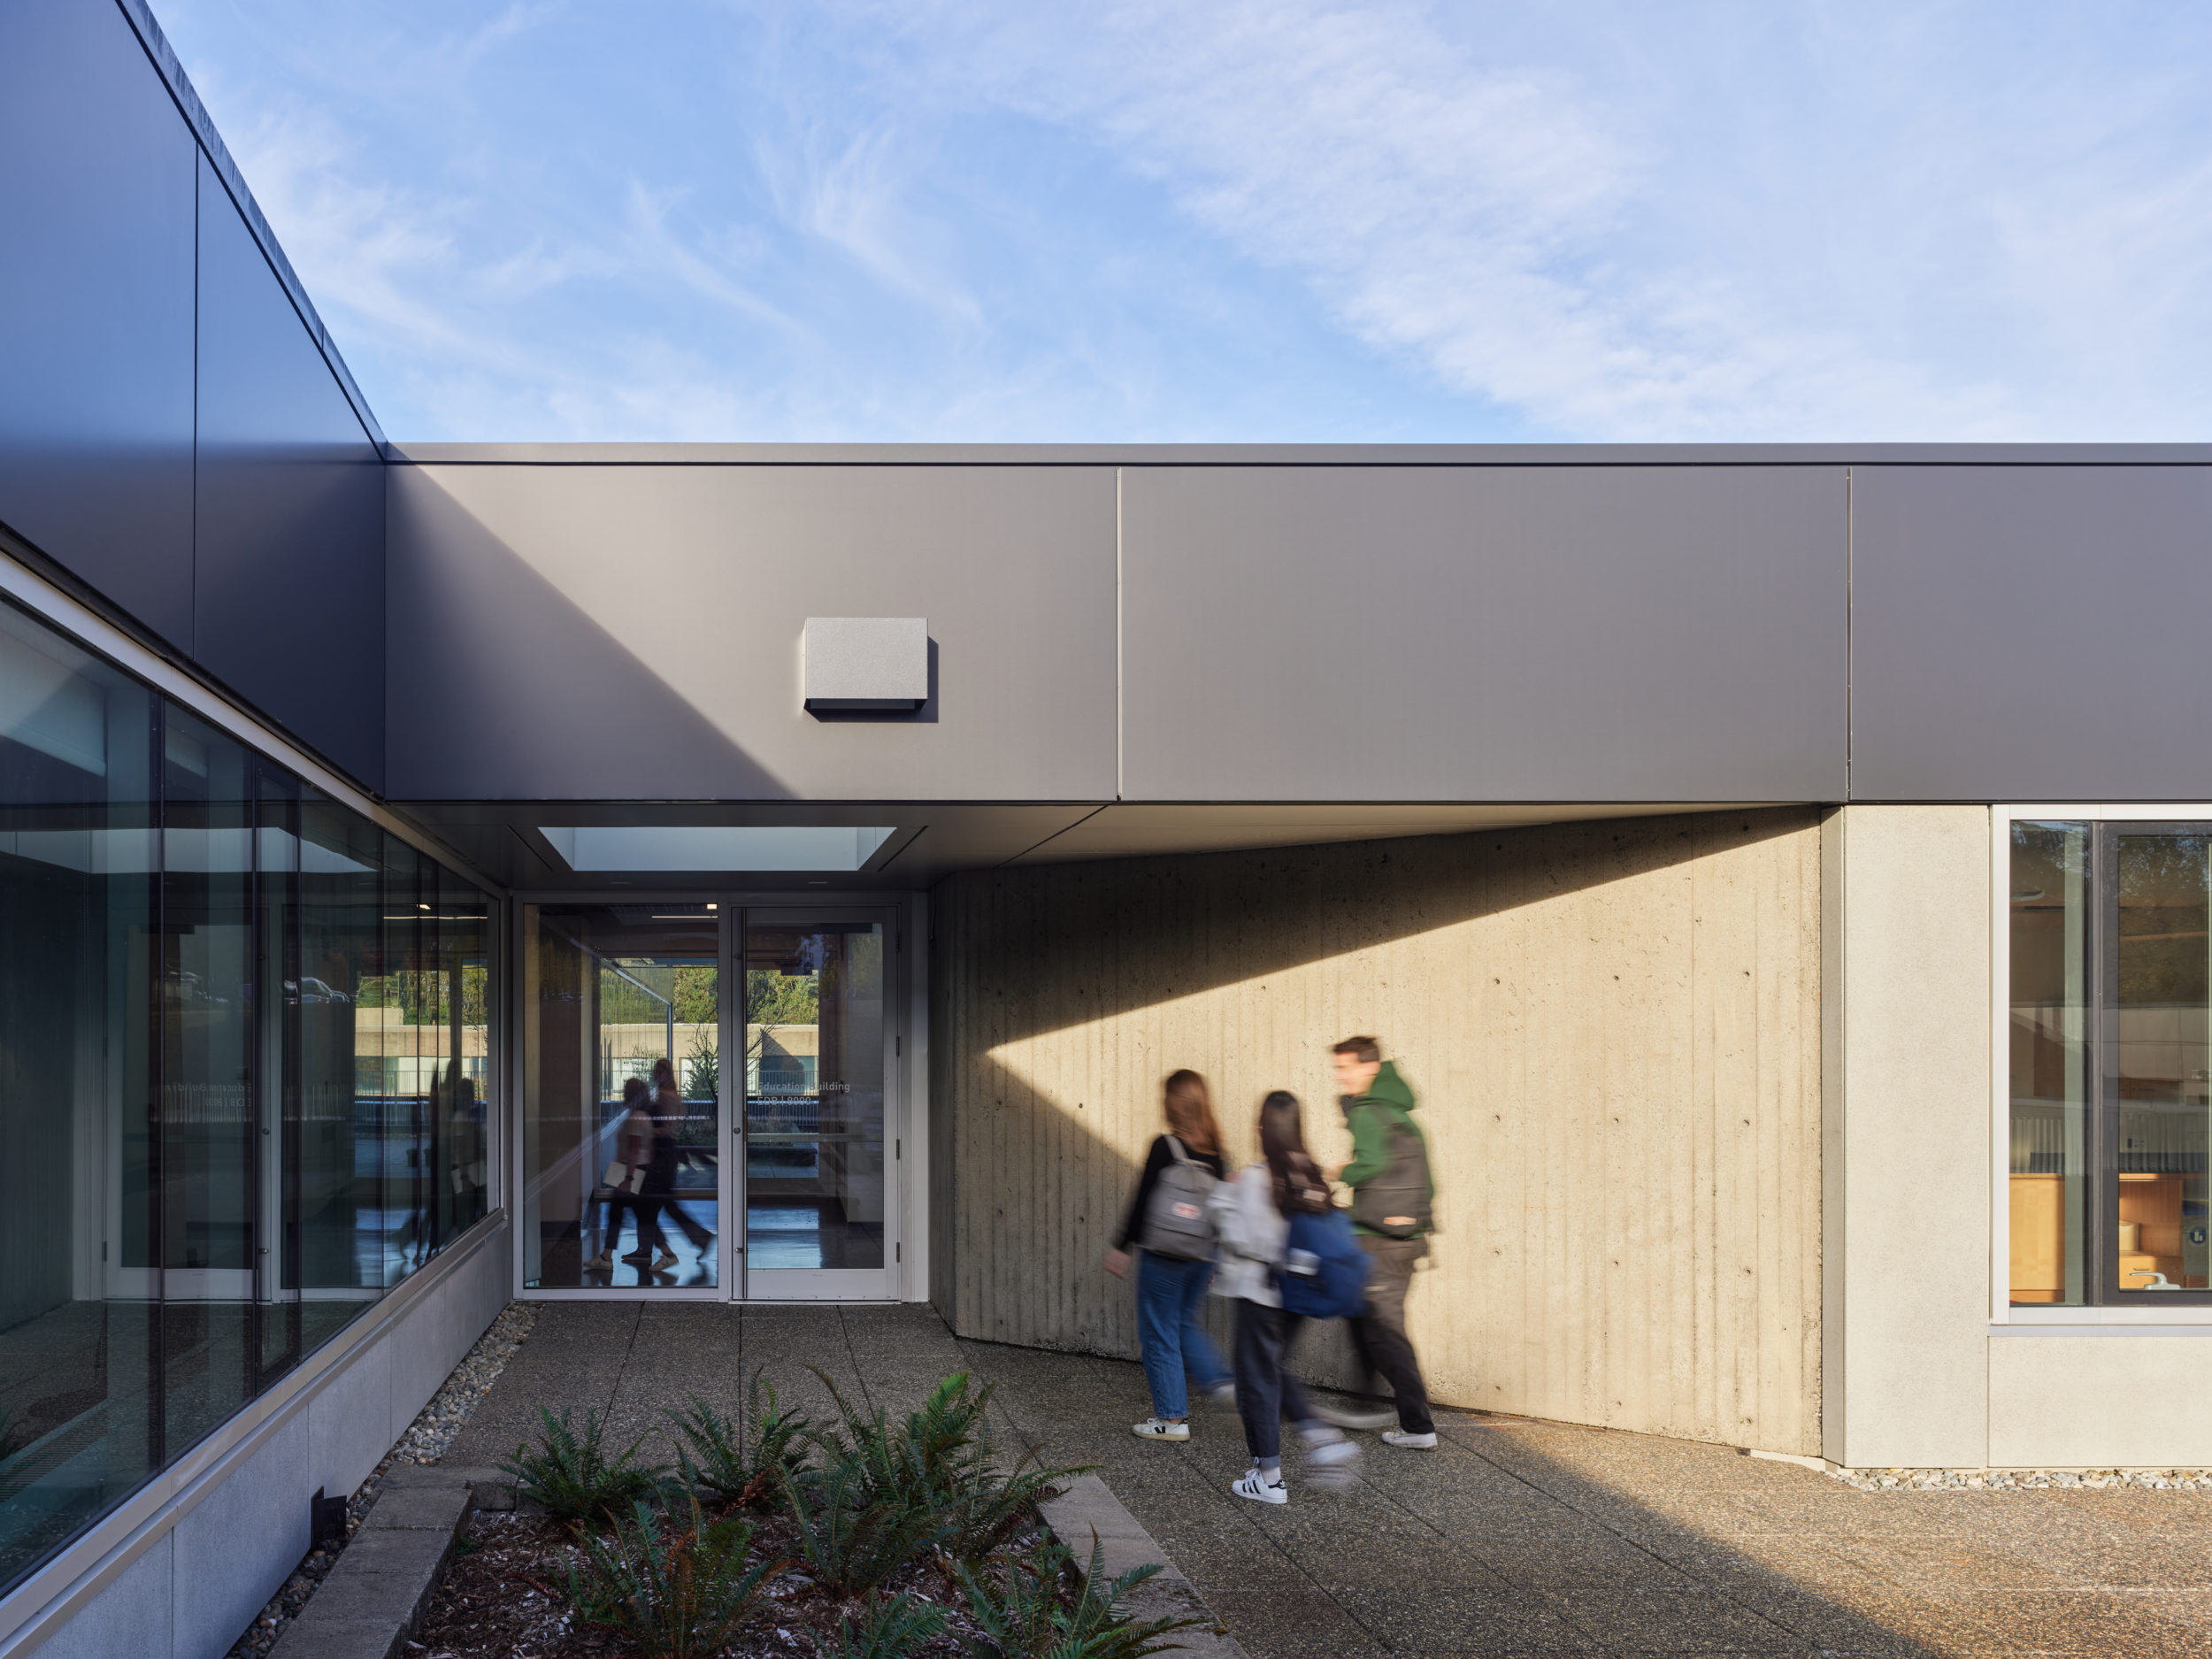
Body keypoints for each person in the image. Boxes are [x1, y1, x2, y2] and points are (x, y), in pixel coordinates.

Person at [1212, 1090, 1360, 1503]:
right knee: (1272, 1371)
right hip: (1296, 1295)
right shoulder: (1309, 1172)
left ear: (1262, 1128)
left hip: (1260, 1292)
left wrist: (1225, 1195)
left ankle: (1270, 1477)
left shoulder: (1258, 1177)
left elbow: (1245, 1239)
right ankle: (1322, 1438)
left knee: (1256, 1380)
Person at [1104, 1070, 1235, 1440]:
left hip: (1163, 1254)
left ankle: (1172, 1420)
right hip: (1201, 1256)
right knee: (1183, 1322)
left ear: (1172, 1103)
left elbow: (1143, 1200)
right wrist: (1215, 1259)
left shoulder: (1164, 1146)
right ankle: (1220, 1379)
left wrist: (1121, 1246)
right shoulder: (1218, 1155)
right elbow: (1223, 1213)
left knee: (1159, 1331)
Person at [1326, 1036, 1438, 1448]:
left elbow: (1372, 1164)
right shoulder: (1399, 1113)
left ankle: (1417, 1425)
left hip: (1380, 1239)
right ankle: (1365, 1401)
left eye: (1346, 1068)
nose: (1341, 1077)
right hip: (1406, 1237)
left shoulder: (1370, 1112)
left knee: (1385, 1331)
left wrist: (1340, 1171)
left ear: (1369, 1068)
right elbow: (1431, 1181)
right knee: (1363, 1317)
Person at [584, 1078, 667, 1273]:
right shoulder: (640, 1116)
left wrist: (628, 1179)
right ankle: (607, 1255)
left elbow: (634, 1150)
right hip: (638, 1171)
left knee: (626, 1215)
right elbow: (649, 1149)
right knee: (637, 1215)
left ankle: (608, 1256)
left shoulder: (637, 1118)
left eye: (626, 1090)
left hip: (632, 1173)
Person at [649, 1056, 716, 1263]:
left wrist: (645, 1128)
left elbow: (668, 1129)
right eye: (656, 1072)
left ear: (668, 1074)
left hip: (662, 1154)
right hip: (665, 1154)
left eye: (661, 1072)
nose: (658, 1075)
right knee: (664, 1206)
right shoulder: (668, 1096)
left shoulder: (667, 1097)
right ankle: (699, 1238)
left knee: (649, 1207)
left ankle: (663, 1249)